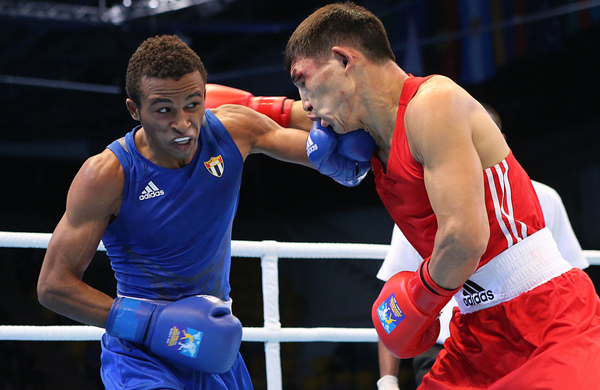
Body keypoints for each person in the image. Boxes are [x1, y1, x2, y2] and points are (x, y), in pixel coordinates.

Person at [284, 3, 600, 389]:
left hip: (545, 317)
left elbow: (465, 240)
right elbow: (268, 123)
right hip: (475, 330)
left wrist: (416, 301)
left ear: (344, 60)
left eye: (304, 80)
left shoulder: (433, 103)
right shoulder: (368, 138)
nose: (306, 103)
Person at [35, 34, 372, 390]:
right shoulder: (108, 174)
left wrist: (343, 142)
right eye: (164, 110)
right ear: (135, 110)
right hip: (141, 357)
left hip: (213, 345)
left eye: (193, 104)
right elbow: (53, 286)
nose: (182, 123)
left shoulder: (234, 131)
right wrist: (151, 324)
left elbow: (326, 150)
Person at [375, 106, 590, 389]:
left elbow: (572, 276)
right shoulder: (420, 204)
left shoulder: (542, 197)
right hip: (446, 349)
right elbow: (395, 301)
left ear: (498, 141)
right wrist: (387, 381)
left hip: (535, 331)